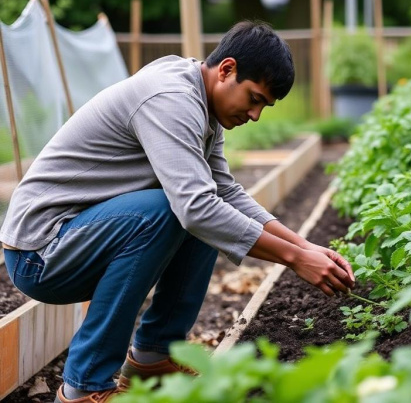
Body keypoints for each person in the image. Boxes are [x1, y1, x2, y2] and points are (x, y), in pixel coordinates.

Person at [0, 20, 355, 403]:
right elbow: (196, 209)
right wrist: (294, 259)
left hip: (80, 237)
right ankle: (83, 387)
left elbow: (224, 192)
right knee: (178, 211)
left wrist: (305, 247)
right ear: (227, 70)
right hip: (41, 251)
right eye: (254, 99)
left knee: (200, 209)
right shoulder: (170, 98)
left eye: (264, 107)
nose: (255, 116)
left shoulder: (203, 103)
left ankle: (153, 357)